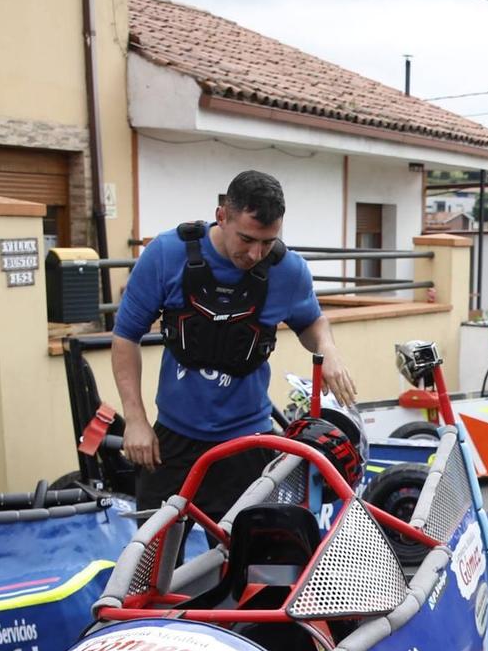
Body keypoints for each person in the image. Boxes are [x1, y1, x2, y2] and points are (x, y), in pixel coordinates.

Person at [110, 169, 357, 523]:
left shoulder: (288, 271)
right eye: (246, 239)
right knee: (151, 561)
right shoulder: (166, 255)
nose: (256, 253)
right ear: (222, 216)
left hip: (247, 443)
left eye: (268, 242)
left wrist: (328, 350)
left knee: (245, 562)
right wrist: (135, 420)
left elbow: (312, 322)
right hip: (172, 443)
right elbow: (125, 336)